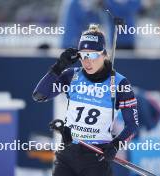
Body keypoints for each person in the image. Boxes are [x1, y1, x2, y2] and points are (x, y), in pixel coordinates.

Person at [32, 24, 139, 176]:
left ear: (104, 54)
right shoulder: (71, 76)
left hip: (96, 157)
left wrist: (115, 145)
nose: (87, 61)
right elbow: (39, 95)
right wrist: (58, 67)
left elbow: (132, 125)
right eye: (83, 55)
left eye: (93, 55)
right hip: (67, 153)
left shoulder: (120, 83)